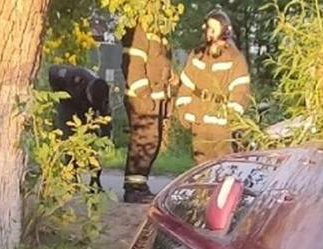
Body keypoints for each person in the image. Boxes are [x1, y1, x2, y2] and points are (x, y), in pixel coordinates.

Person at [175, 8, 251, 164]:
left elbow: (240, 91)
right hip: (199, 121)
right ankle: (202, 190)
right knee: (200, 167)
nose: (209, 32)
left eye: (213, 28)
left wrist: (229, 116)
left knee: (222, 166)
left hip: (221, 125)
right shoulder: (198, 55)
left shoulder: (235, 58)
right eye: (208, 28)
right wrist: (184, 111)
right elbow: (186, 85)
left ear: (224, 30)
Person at [121, 25, 173, 204]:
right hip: (141, 99)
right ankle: (133, 190)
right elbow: (133, 66)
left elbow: (160, 65)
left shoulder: (160, 32)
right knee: (143, 142)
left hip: (154, 99)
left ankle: (139, 185)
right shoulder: (141, 30)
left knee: (152, 143)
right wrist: (144, 95)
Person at [47, 65, 112, 191]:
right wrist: (57, 94)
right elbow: (52, 71)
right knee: (68, 138)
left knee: (91, 143)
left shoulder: (102, 95)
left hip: (86, 109)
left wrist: (105, 136)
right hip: (67, 103)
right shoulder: (72, 75)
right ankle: (72, 177)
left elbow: (106, 118)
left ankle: (95, 181)